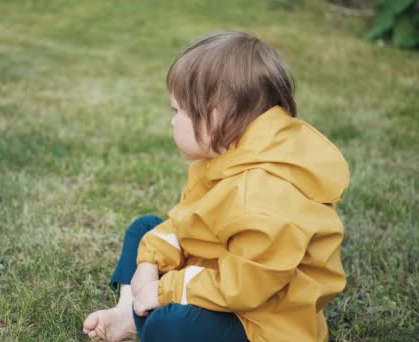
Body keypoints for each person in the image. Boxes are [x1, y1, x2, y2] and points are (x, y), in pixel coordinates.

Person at [82, 30, 350, 342]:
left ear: (214, 115)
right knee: (145, 230)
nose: (172, 121)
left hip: (260, 319)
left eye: (177, 111)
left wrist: (167, 288)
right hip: (216, 271)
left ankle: (143, 315)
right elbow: (186, 221)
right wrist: (149, 265)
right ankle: (129, 311)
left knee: (172, 326)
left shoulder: (263, 197)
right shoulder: (228, 157)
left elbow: (245, 288)